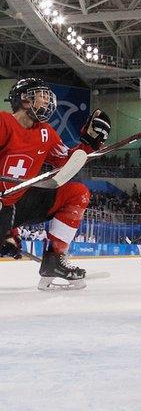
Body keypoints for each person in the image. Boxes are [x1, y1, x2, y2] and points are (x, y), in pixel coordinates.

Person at [0, 78, 110, 289]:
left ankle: (54, 260)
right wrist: (8, 233)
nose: (47, 100)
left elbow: (67, 163)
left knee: (77, 192)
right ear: (24, 99)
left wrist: (90, 144)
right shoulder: (4, 122)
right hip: (2, 207)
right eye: (41, 95)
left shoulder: (45, 132)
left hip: (21, 201)